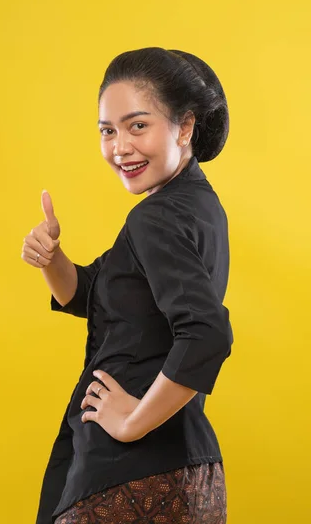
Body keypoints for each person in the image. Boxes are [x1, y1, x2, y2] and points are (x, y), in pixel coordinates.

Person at [22, 47, 234, 523]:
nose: (120, 146)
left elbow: (206, 334)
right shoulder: (198, 206)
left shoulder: (155, 218)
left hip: (131, 477)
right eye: (108, 130)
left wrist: (131, 421)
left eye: (138, 126)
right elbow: (88, 293)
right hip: (183, 472)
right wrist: (52, 258)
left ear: (184, 126)